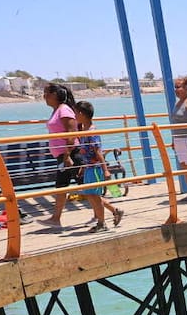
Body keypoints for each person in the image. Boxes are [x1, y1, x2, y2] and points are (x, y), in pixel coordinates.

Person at [74, 101, 125, 232]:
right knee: (91, 195)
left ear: (81, 114)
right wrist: (83, 168)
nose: (74, 116)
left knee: (93, 196)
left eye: (76, 113)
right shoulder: (83, 130)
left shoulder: (92, 132)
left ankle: (102, 223)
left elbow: (98, 152)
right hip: (89, 167)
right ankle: (115, 211)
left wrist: (105, 170)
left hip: (95, 168)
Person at [40, 83, 81, 228]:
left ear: (55, 95)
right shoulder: (57, 110)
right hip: (63, 156)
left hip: (69, 155)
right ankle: (55, 219)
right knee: (62, 187)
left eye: (46, 93)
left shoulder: (64, 110)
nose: (44, 97)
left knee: (82, 187)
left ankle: (113, 210)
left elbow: (71, 134)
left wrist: (67, 156)